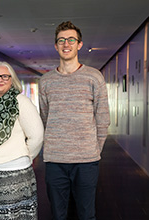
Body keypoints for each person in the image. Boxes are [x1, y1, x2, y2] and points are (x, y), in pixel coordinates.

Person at [38, 21, 110, 220]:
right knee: (57, 215)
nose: (66, 44)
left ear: (79, 44)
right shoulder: (46, 81)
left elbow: (103, 117)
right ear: (56, 45)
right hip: (55, 160)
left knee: (87, 215)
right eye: (61, 40)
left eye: (71, 39)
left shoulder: (94, 77)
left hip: (86, 161)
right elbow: (45, 117)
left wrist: (94, 149)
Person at [0, 61, 44, 220]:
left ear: (12, 79)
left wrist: (23, 155)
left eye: (5, 76)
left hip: (15, 173)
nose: (0, 79)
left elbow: (37, 135)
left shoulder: (20, 101)